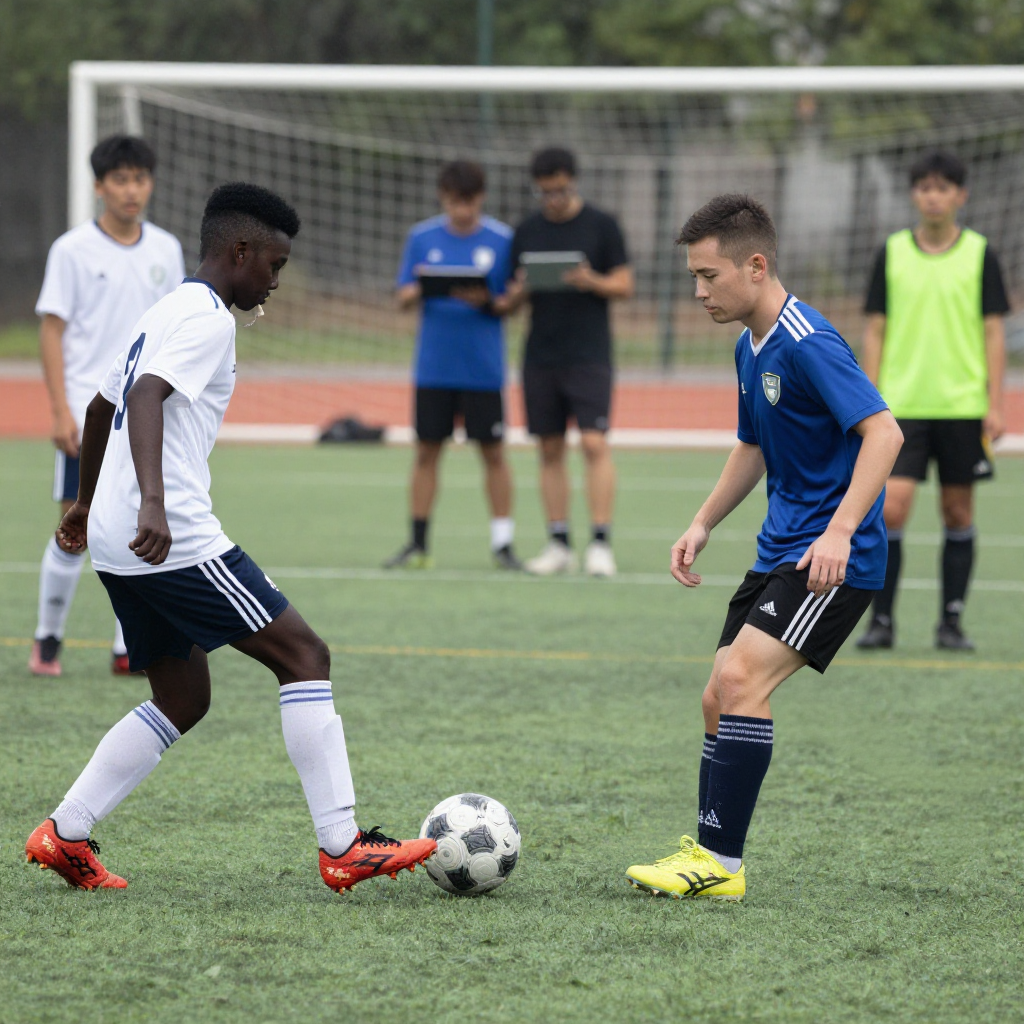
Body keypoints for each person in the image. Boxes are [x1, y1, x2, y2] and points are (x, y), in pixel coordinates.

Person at [25, 183, 436, 892]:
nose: (275, 282)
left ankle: (65, 833)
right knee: (305, 655)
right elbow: (144, 397)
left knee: (182, 698)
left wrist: (86, 504)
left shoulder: (164, 309)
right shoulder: (209, 319)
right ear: (240, 251)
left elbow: (99, 406)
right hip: (170, 535)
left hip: (119, 541)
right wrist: (154, 503)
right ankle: (342, 845)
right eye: (274, 265)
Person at [625, 195, 903, 901]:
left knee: (742, 681)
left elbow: (884, 433)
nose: (699, 292)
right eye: (694, 277)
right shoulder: (749, 345)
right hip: (778, 549)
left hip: (829, 560)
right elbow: (752, 444)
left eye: (709, 276)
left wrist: (840, 530)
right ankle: (707, 848)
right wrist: (703, 522)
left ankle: (721, 865)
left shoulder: (808, 341)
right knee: (717, 696)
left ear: (756, 265)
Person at [30, 135, 185, 677]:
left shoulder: (166, 249)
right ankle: (48, 640)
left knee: (138, 523)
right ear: (99, 186)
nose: (131, 190)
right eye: (120, 179)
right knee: (75, 524)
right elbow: (52, 331)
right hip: (87, 411)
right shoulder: (71, 250)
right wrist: (59, 410)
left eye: (140, 178)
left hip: (143, 414)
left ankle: (128, 646)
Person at [856, 151, 1009, 652]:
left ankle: (951, 623)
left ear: (960, 195)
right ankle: (881, 622)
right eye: (924, 187)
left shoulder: (980, 254)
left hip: (962, 407)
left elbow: (993, 332)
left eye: (943, 188)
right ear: (914, 195)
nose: (933, 196)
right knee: (891, 510)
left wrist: (995, 402)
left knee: (958, 512)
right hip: (901, 407)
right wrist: (867, 400)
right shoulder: (892, 252)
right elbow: (875, 329)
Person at [385, 160, 522, 570]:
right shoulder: (421, 237)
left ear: (481, 198)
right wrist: (423, 285)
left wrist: (489, 301)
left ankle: (503, 545)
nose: (462, 210)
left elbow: (513, 300)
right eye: (453, 202)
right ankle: (418, 544)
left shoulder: (503, 239)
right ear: (442, 198)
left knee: (493, 453)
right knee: (427, 452)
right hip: (434, 368)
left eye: (469, 201)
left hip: (483, 369)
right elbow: (402, 296)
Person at [505, 147, 634, 577]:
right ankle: (558, 542)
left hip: (589, 354)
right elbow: (508, 299)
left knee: (594, 443)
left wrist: (588, 279)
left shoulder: (602, 224)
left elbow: (624, 284)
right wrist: (522, 289)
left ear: (573, 182)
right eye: (545, 192)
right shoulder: (526, 230)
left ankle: (600, 543)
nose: (554, 199)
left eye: (560, 190)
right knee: (549, 448)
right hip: (541, 353)